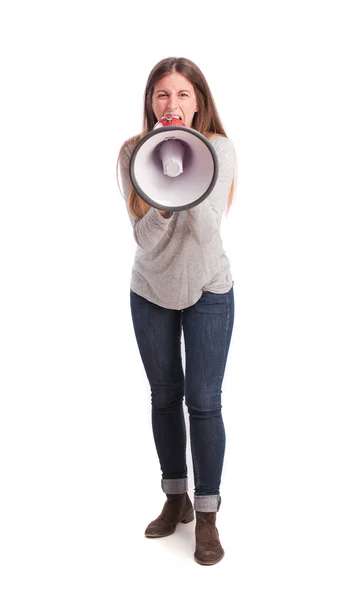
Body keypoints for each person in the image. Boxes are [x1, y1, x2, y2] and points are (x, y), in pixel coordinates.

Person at [116, 57, 237, 566]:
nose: (172, 104)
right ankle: (175, 499)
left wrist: (190, 176)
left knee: (204, 401)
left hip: (209, 288)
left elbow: (210, 230)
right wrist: (161, 197)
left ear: (198, 100)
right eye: (162, 95)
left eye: (182, 94)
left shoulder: (220, 149)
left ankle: (207, 515)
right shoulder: (130, 153)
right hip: (150, 290)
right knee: (165, 397)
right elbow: (142, 236)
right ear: (151, 102)